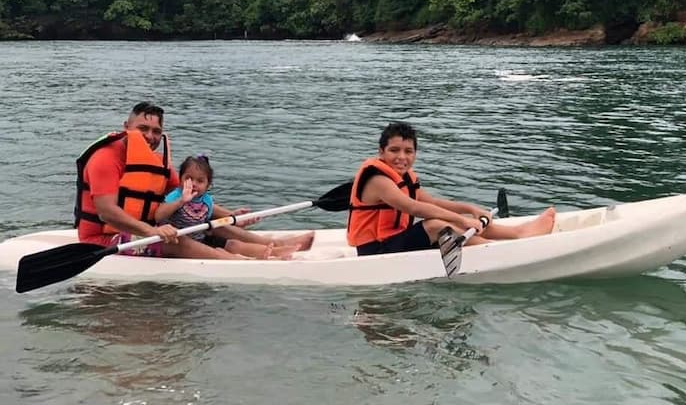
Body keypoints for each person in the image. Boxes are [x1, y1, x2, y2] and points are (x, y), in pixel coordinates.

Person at [75, 102, 254, 259]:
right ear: (126, 127)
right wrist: (152, 231)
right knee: (174, 240)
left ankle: (271, 246)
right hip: (102, 241)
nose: (150, 136)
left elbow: (188, 195)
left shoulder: (157, 162)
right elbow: (107, 212)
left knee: (204, 220)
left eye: (156, 131)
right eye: (143, 128)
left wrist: (230, 216)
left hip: (144, 230)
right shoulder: (105, 158)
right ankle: (231, 261)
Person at [347, 121, 556, 256]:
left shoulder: (404, 177)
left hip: (395, 242)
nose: (402, 157)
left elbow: (432, 202)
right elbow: (414, 208)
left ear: (415, 154)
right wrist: (463, 220)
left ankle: (518, 233)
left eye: (408, 151)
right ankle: (495, 250)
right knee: (434, 225)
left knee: (444, 218)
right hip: (376, 251)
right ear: (381, 152)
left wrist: (471, 209)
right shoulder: (377, 180)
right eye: (394, 150)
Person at [155, 154, 304, 260]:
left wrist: (233, 218)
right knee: (221, 250)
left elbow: (215, 220)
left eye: (200, 181)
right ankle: (242, 261)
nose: (193, 183)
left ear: (208, 185)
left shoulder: (206, 201)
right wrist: (181, 201)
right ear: (180, 179)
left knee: (234, 244)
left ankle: (272, 252)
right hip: (180, 244)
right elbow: (158, 215)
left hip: (201, 238)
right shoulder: (176, 196)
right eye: (188, 178)